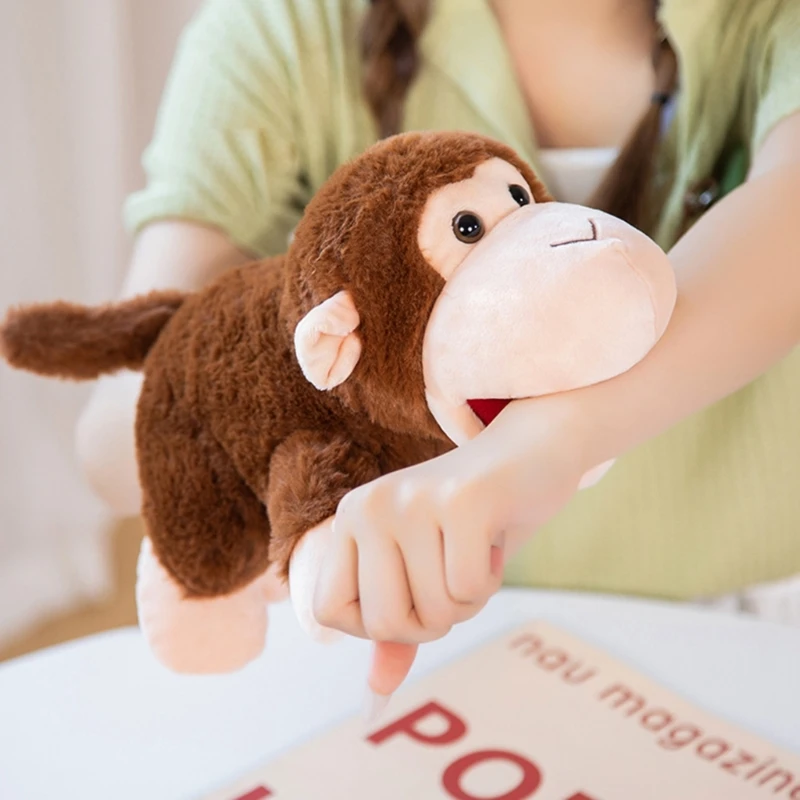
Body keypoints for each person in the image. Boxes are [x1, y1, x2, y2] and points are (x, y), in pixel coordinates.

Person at [77, 0, 800, 699]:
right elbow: (116, 434)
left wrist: (545, 442)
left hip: (762, 632)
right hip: (434, 650)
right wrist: (304, 437)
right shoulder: (285, 29)